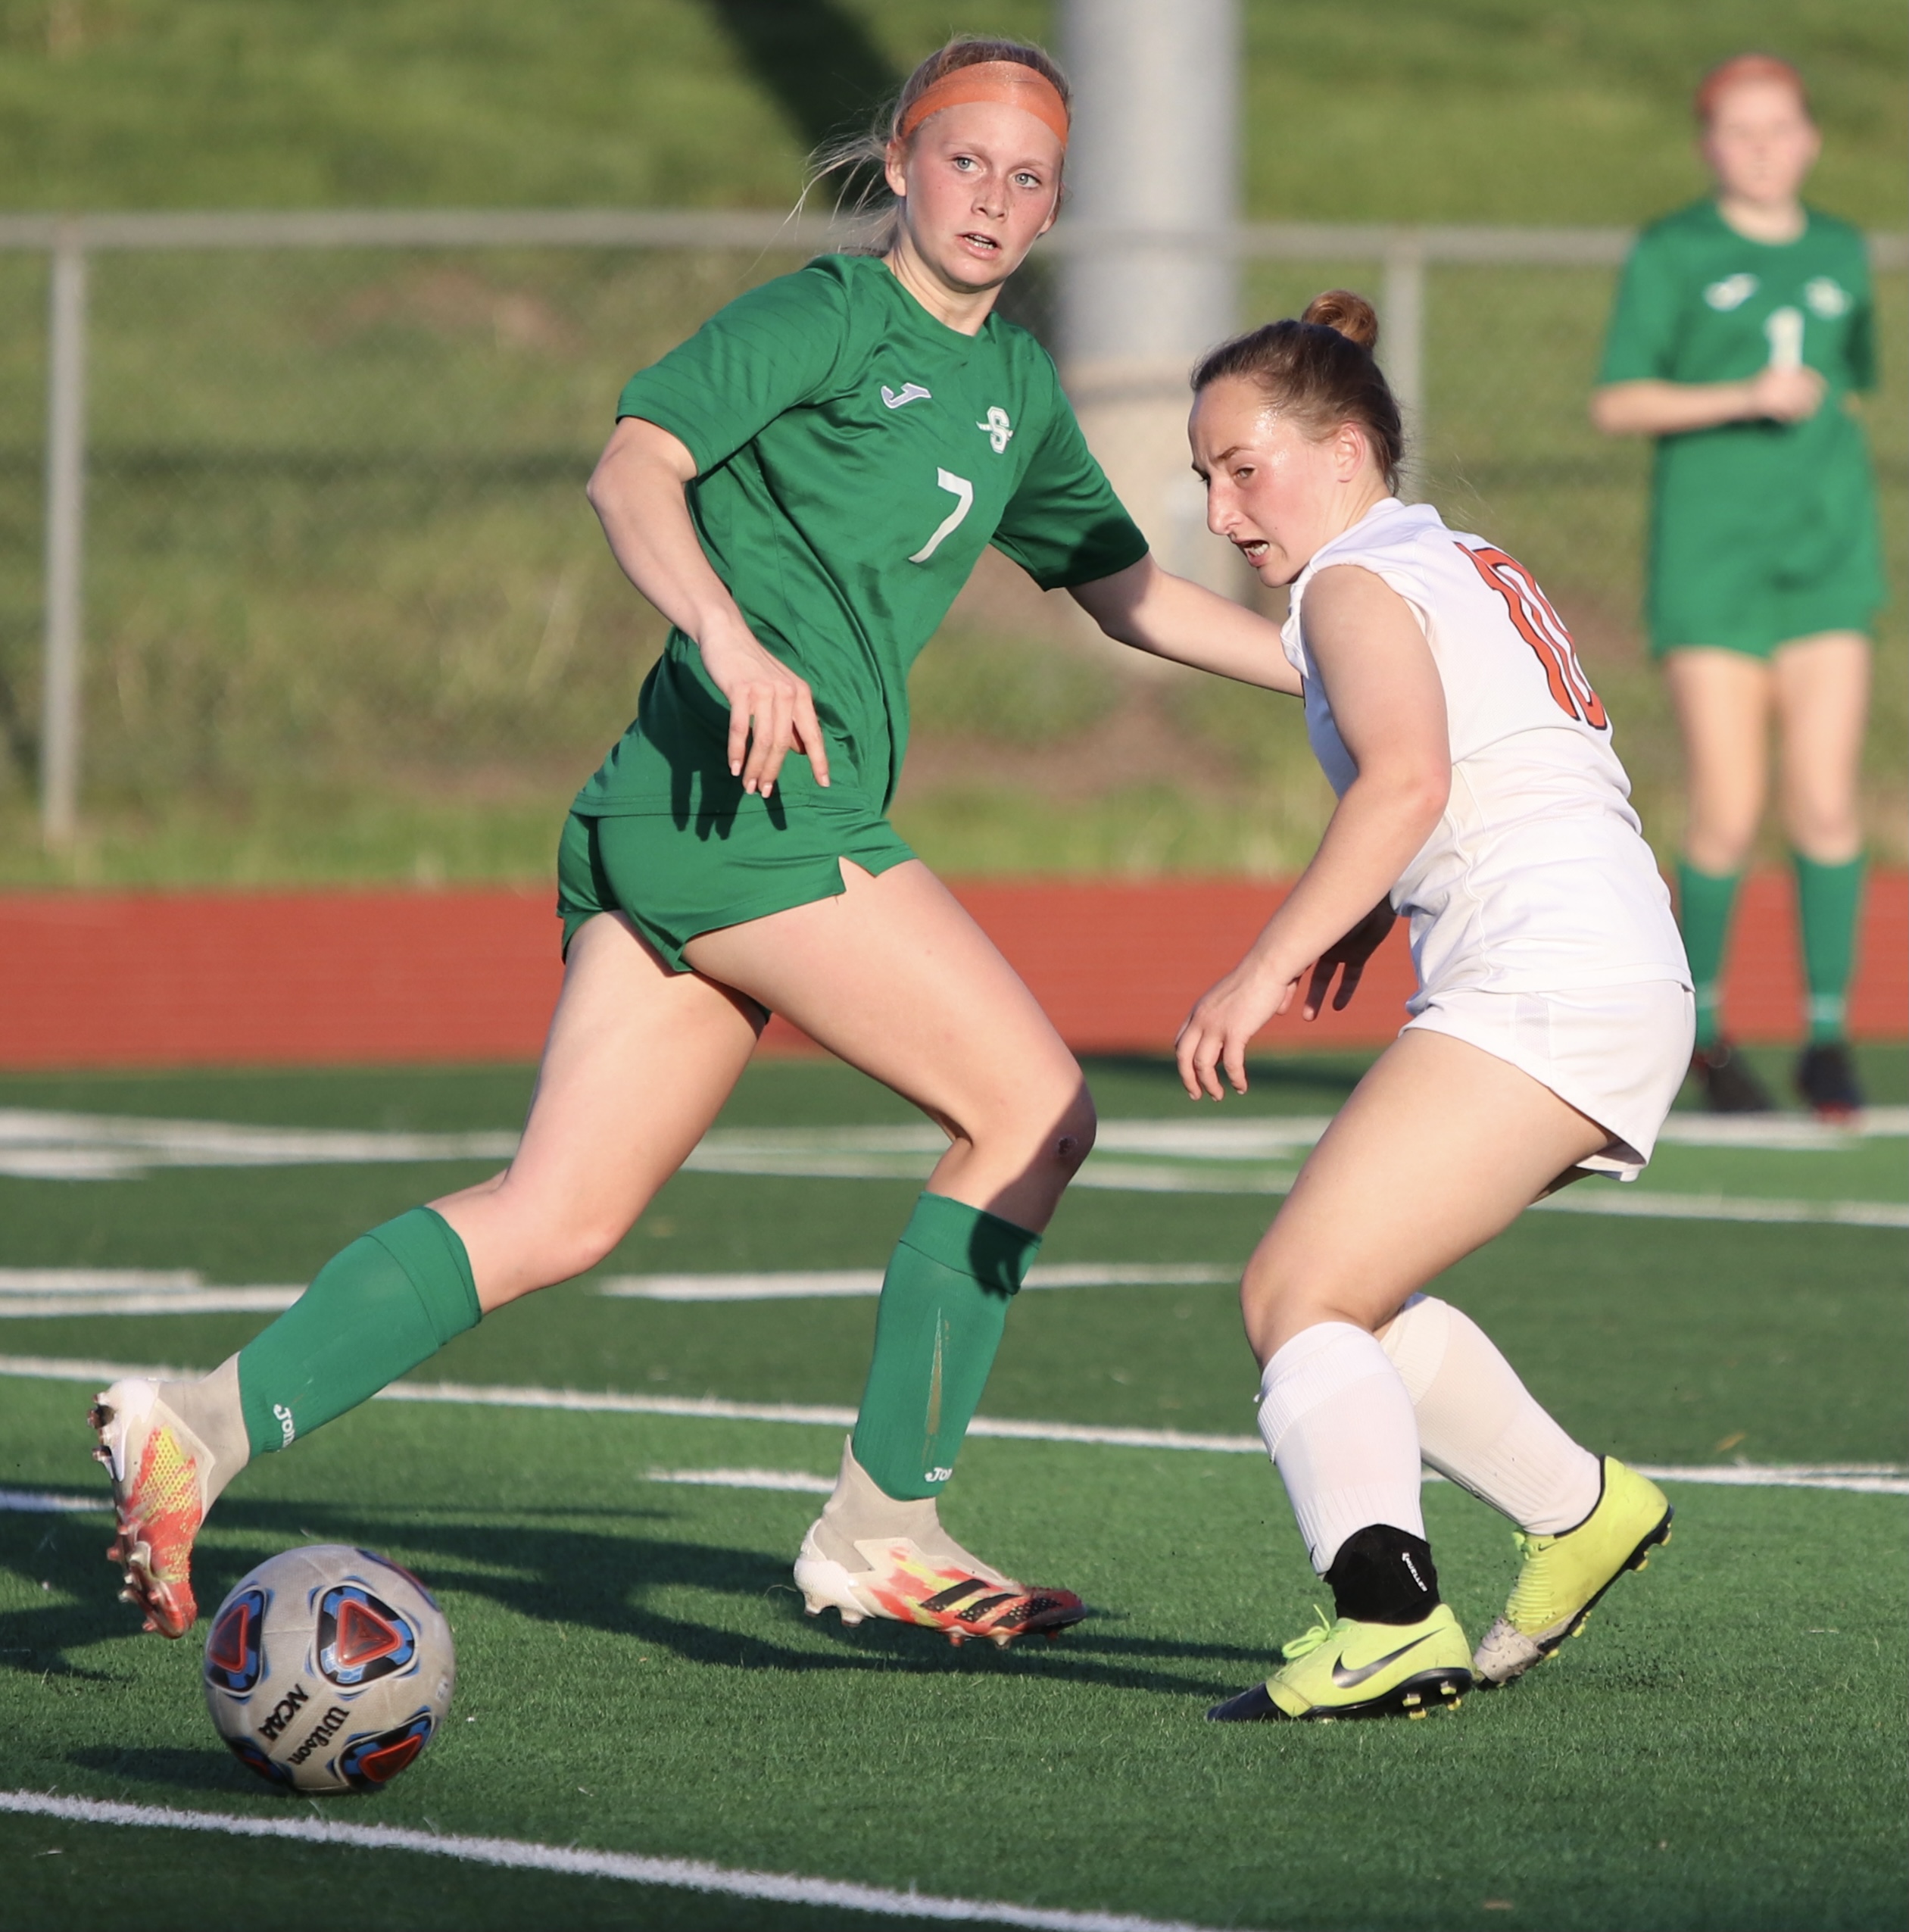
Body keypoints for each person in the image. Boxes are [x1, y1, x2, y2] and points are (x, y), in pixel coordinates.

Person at [89, 37, 1300, 1650]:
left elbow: (1129, 593)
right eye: (964, 161)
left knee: (559, 1213)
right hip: (750, 806)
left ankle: (203, 1425)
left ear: (1054, 205)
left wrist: (1331, 671)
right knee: (1032, 1111)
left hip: (689, 817)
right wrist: (727, 636)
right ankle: (883, 1529)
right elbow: (631, 471)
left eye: (1029, 179)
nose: (991, 199)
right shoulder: (825, 315)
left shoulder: (1013, 388)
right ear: (898, 160)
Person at [1178, 292, 1692, 1721]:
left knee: (1295, 1296)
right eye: (1204, 477)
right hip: (1604, 968)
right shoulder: (1439, 556)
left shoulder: (1352, 582)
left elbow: (1406, 780)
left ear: (1343, 452)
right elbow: (1447, 761)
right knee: (1351, 1293)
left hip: (1547, 973)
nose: (1219, 511)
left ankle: (1389, 1620)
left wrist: (1265, 964)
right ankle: (1577, 1509)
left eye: (1242, 469)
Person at [1592, 54, 1882, 1117]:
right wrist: (1739, 396)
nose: (1762, 149)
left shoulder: (1841, 250)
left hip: (1826, 559)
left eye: (1779, 128)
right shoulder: (1673, 249)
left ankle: (1825, 1035)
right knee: (1727, 806)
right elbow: (1617, 401)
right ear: (1709, 145)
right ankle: (1704, 1033)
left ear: (1810, 139)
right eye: (1740, 131)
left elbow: (1852, 387)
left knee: (1825, 801)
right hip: (1711, 564)